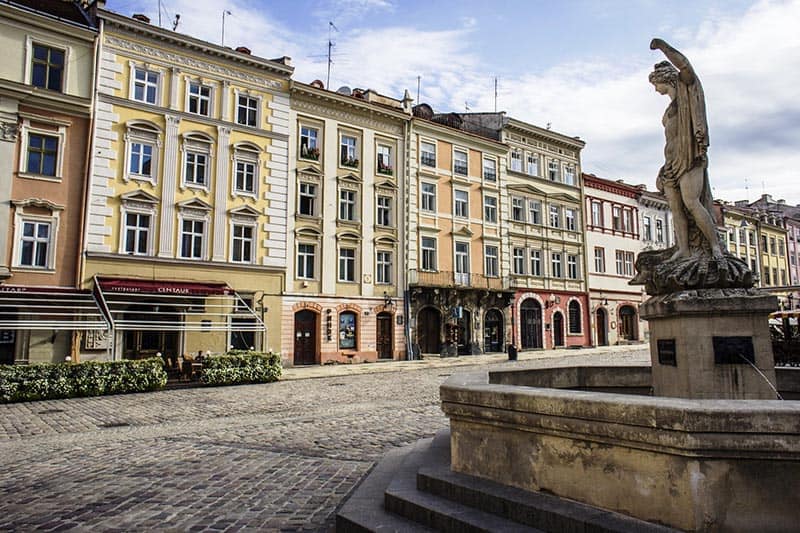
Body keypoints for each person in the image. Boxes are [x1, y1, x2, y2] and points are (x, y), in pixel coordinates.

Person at [649, 38, 722, 261]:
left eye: (655, 85)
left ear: (665, 80)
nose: (655, 89)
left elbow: (685, 67)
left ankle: (715, 247)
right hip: (670, 163)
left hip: (688, 157)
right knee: (677, 209)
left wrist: (663, 48)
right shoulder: (670, 107)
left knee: (691, 202)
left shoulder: (687, 96)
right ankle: (684, 248)